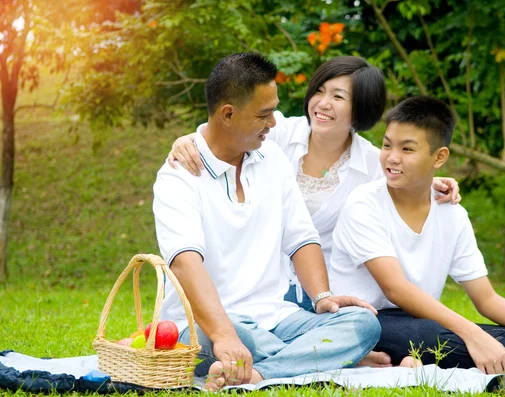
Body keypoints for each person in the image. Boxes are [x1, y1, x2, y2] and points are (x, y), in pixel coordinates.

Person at [153, 53, 386, 391]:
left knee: (362, 324)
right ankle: (315, 357)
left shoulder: (272, 158)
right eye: (264, 115)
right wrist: (225, 336)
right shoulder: (179, 176)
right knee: (238, 336)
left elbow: (301, 238)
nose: (274, 123)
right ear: (228, 114)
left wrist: (322, 297)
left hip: (277, 317)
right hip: (208, 324)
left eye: (274, 112)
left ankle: (263, 373)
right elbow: (186, 265)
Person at [167, 56, 460, 321]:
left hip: (324, 288)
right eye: (319, 91)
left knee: (359, 325)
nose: (323, 103)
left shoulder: (372, 164)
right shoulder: (278, 132)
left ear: (361, 108)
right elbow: (226, 129)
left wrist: (429, 181)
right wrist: (187, 140)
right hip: (260, 279)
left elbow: (401, 180)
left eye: (338, 96)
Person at [327, 95, 505, 379]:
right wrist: (471, 333)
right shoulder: (364, 203)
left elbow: (486, 299)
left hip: (422, 320)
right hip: (365, 321)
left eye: (407, 149)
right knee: (436, 336)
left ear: (439, 157)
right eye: (386, 145)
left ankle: (411, 362)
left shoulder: (452, 214)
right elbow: (396, 290)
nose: (392, 157)